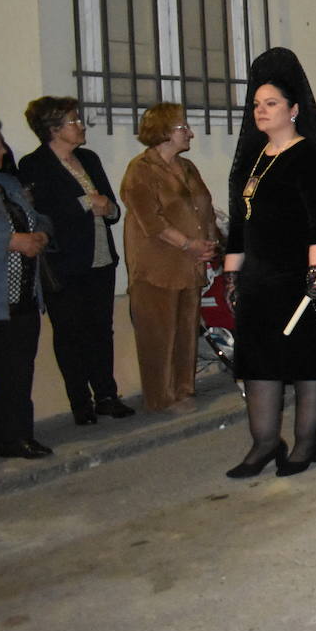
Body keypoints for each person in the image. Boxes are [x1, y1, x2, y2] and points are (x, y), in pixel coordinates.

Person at [222, 48, 316, 478]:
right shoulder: (254, 158)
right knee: (258, 363)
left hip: (301, 277)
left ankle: (307, 441)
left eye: (271, 103)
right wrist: (231, 272)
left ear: (294, 110)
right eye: (257, 105)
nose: (261, 111)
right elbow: (240, 223)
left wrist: (315, 276)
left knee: (308, 362)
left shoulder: (310, 156)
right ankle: (264, 443)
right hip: (259, 279)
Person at [19, 97, 136, 426]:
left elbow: (110, 206)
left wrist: (109, 208)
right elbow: (40, 214)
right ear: (54, 129)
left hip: (99, 257)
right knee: (70, 333)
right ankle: (79, 401)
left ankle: (107, 395)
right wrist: (86, 202)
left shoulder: (88, 158)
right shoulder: (34, 165)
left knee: (101, 329)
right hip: (64, 263)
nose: (81, 125)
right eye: (73, 121)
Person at [118, 103, 219, 413]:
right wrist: (188, 243)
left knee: (187, 328)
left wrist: (210, 243)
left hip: (190, 264)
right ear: (162, 132)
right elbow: (152, 221)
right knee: (158, 333)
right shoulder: (141, 170)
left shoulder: (187, 167)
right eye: (182, 128)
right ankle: (161, 397)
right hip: (157, 266)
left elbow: (205, 207)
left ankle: (184, 388)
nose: (189, 132)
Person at [0, 118, 53, 461]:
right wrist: (11, 241)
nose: (2, 149)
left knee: (16, 374)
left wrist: (40, 233)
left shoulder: (7, 183)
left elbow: (38, 215)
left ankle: (16, 438)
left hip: (22, 298)